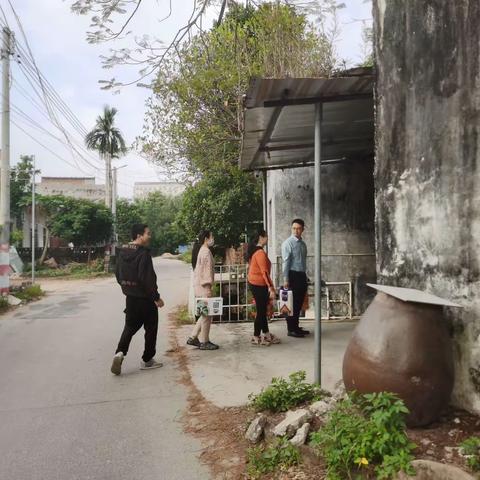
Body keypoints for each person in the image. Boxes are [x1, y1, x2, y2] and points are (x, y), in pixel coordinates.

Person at [111, 224, 165, 375]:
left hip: (131, 298)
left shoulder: (122, 252)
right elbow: (147, 279)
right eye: (148, 233)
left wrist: (128, 288)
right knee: (151, 328)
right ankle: (147, 360)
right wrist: (156, 298)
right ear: (139, 235)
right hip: (146, 299)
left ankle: (120, 352)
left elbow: (118, 275)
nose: (150, 236)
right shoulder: (143, 254)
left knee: (129, 327)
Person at [186, 230, 219, 351]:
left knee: (204, 313)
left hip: (199, 286)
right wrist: (209, 285)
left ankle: (193, 337)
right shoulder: (206, 252)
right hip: (204, 286)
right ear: (206, 238)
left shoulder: (201, 250)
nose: (213, 239)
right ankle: (204, 341)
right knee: (207, 314)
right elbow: (207, 271)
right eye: (212, 236)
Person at [247, 230, 281, 346]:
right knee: (261, 311)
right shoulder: (260, 253)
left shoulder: (255, 251)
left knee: (262, 310)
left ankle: (266, 334)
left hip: (256, 283)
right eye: (266, 237)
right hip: (258, 284)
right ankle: (257, 335)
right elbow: (265, 272)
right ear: (261, 238)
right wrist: (271, 287)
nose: (267, 239)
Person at [281, 218, 310, 338]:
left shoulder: (303, 244)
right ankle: (290, 329)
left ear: (302, 229)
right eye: (294, 228)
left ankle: (296, 327)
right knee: (291, 303)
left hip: (301, 275)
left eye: (298, 228)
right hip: (292, 275)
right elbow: (286, 262)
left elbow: (303, 261)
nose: (296, 231)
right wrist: (286, 279)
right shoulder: (288, 243)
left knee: (299, 303)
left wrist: (305, 276)